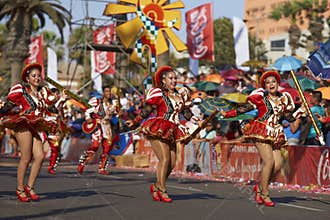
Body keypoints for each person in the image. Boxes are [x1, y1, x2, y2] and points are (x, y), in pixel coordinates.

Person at [220, 70, 303, 207]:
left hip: (276, 132)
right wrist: (227, 114)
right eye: (268, 82)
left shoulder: (283, 99)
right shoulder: (260, 99)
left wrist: (301, 112)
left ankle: (258, 188)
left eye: (273, 82)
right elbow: (244, 109)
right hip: (261, 130)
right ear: (265, 86)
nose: (271, 84)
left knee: (278, 165)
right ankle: (265, 193)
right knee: (269, 162)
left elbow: (287, 117)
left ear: (278, 84)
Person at [126, 66, 192, 203]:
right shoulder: (159, 94)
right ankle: (162, 189)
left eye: (175, 78)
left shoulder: (180, 95)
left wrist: (198, 120)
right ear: (164, 80)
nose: (174, 81)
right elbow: (148, 109)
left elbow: (186, 113)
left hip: (174, 129)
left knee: (173, 163)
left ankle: (156, 185)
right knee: (165, 159)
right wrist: (136, 121)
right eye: (171, 78)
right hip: (159, 127)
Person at [0, 63, 64, 202]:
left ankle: (30, 186)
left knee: (40, 156)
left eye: (38, 75)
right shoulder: (21, 89)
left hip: (34, 126)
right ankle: (20, 188)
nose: (37, 78)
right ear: (27, 78)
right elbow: (9, 104)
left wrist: (60, 99)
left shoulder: (42, 93)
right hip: (22, 124)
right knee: (26, 158)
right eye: (33, 76)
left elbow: (50, 108)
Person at [78, 85, 117, 175]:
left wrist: (119, 111)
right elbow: (87, 110)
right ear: (103, 93)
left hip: (107, 126)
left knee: (107, 148)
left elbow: (116, 114)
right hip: (98, 125)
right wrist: (88, 119)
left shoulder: (113, 103)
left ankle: (102, 168)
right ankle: (82, 162)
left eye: (110, 91)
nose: (109, 93)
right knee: (95, 146)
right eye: (107, 91)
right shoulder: (97, 101)